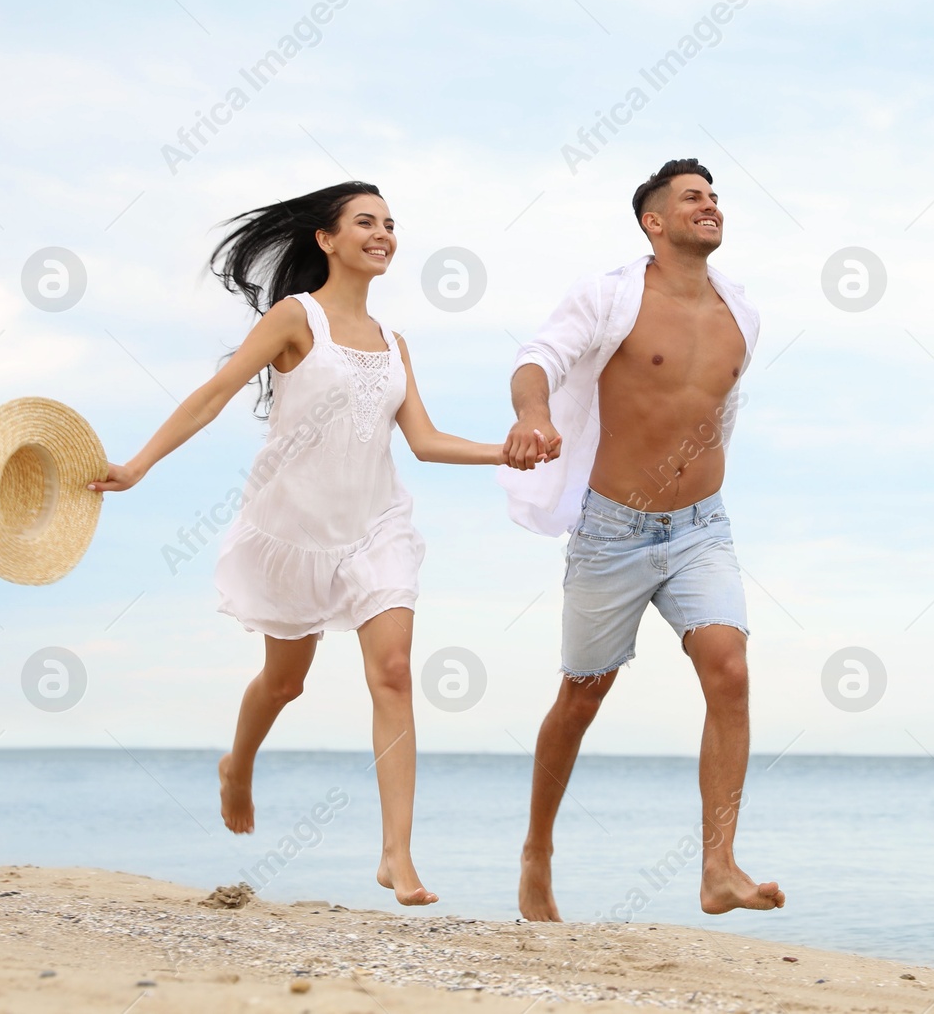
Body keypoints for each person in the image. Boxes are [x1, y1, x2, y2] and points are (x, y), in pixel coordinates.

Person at [89, 181, 549, 905]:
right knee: (285, 682)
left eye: (391, 223)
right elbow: (214, 394)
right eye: (365, 221)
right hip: (293, 529)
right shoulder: (294, 317)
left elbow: (422, 442)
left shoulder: (395, 343)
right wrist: (138, 465)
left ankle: (395, 854)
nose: (383, 233)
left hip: (375, 526)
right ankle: (236, 764)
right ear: (326, 240)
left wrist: (506, 451)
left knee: (393, 671)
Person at [498, 157, 783, 920]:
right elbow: (538, 360)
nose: (710, 205)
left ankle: (718, 865)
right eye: (693, 197)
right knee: (583, 695)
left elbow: (714, 414)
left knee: (729, 669)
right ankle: (537, 850)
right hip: (612, 528)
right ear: (653, 221)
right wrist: (534, 416)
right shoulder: (610, 294)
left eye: (716, 196)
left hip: (703, 525)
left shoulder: (742, 314)